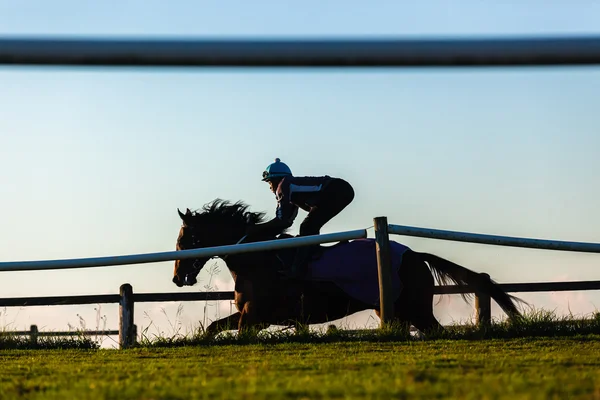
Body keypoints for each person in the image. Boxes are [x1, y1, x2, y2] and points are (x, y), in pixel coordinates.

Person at [247, 158, 355, 279]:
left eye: (269, 182)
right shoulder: (292, 187)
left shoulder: (283, 187)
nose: (270, 187)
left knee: (307, 227)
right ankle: (311, 255)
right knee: (310, 226)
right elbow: (287, 222)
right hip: (340, 188)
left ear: (275, 180)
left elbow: (282, 220)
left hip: (337, 189)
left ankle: (298, 269)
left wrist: (257, 228)